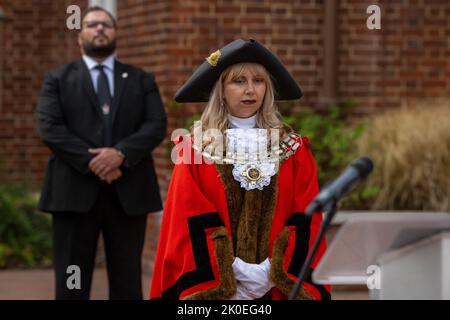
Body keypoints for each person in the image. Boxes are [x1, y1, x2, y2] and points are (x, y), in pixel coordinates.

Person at [150, 39, 330, 300]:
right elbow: (186, 222)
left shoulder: (294, 150)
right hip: (217, 291)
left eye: (258, 81)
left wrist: (271, 272)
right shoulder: (194, 151)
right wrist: (232, 274)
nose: (250, 90)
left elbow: (307, 218)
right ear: (221, 89)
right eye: (238, 81)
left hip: (277, 288)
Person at [36, 6, 167, 300]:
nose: (99, 29)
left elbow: (156, 124)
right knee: (71, 282)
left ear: (115, 34)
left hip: (128, 193)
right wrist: (95, 160)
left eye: (106, 25)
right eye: (92, 24)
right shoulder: (57, 79)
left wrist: (120, 153)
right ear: (80, 36)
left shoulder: (140, 79)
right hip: (72, 193)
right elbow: (49, 127)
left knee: (127, 282)